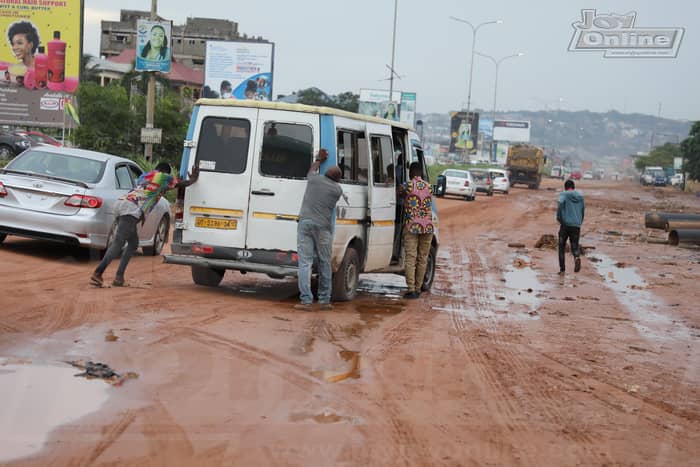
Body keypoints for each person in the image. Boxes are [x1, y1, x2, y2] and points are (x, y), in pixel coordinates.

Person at [90, 162, 199, 287]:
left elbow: (159, 187)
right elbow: (180, 184)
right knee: (118, 243)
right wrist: (192, 180)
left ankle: (119, 278)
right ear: (165, 172)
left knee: (133, 243)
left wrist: (173, 183)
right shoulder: (163, 176)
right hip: (131, 208)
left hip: (122, 204)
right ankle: (98, 273)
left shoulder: (146, 176)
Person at [295, 149, 345, 311]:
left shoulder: (314, 180)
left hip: (305, 224)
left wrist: (319, 159)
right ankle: (324, 300)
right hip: (323, 228)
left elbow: (311, 169)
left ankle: (306, 301)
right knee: (324, 262)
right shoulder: (337, 190)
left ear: (325, 174)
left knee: (305, 263)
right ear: (338, 179)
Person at [400, 162, 434, 299]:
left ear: (411, 172)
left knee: (410, 258)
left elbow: (398, 192)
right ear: (421, 173)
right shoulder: (430, 187)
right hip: (427, 226)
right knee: (422, 258)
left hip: (412, 226)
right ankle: (419, 288)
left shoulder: (408, 185)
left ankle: (411, 289)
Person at [557, 179, 585, 274]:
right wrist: (579, 222)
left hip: (565, 225)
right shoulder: (581, 197)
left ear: (565, 187)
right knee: (574, 246)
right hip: (576, 225)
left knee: (561, 246)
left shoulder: (564, 194)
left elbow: (560, 206)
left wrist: (560, 219)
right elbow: (582, 210)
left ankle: (562, 270)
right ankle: (577, 257)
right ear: (573, 187)